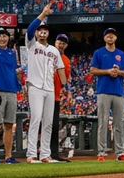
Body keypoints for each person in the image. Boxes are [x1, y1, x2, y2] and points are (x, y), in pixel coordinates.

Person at [24, 2, 64, 164]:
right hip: (34, 86)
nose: (41, 32)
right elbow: (29, 30)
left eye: (44, 30)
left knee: (48, 122)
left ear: (47, 33)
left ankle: (45, 154)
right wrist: (42, 14)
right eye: (39, 30)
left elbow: (60, 67)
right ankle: (31, 154)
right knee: (36, 119)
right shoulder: (31, 44)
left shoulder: (54, 51)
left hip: (49, 88)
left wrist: (65, 86)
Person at [90, 28, 124, 161]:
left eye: (112, 35)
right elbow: (93, 70)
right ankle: (101, 152)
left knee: (119, 123)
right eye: (108, 35)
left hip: (118, 91)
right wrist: (108, 71)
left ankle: (120, 152)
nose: (110, 37)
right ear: (104, 38)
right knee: (103, 122)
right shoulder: (99, 53)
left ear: (115, 38)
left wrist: (118, 72)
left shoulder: (121, 54)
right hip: (103, 91)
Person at [0, 25, 21, 164]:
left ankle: (8, 156)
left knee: (8, 125)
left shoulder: (12, 53)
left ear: (8, 38)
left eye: (4, 35)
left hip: (11, 91)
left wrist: (19, 81)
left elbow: (14, 71)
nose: (2, 38)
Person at [50, 33, 72, 162]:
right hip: (43, 95)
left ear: (66, 45)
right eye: (59, 42)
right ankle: (36, 152)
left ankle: (53, 153)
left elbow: (64, 81)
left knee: (53, 126)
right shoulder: (48, 54)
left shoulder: (66, 60)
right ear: (55, 42)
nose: (61, 44)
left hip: (55, 96)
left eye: (64, 43)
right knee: (40, 125)